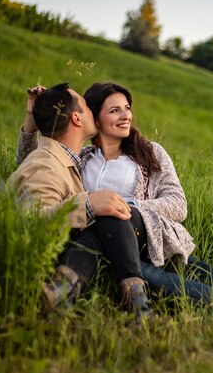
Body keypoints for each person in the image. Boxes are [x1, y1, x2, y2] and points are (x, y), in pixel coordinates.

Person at [18, 82, 213, 309]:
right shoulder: (82, 157)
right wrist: (32, 124)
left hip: (152, 237)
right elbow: (36, 165)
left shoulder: (149, 154)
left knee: (204, 273)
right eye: (114, 110)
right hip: (110, 246)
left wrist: (127, 208)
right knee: (177, 278)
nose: (126, 115)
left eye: (127, 108)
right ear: (93, 117)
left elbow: (177, 205)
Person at [8, 83, 153, 319]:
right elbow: (30, 219)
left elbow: (30, 164)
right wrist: (88, 204)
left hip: (117, 240)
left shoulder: (66, 158)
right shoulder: (46, 164)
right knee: (163, 277)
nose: (93, 113)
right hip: (63, 253)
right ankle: (138, 306)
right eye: (86, 107)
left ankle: (64, 291)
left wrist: (33, 120)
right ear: (76, 119)